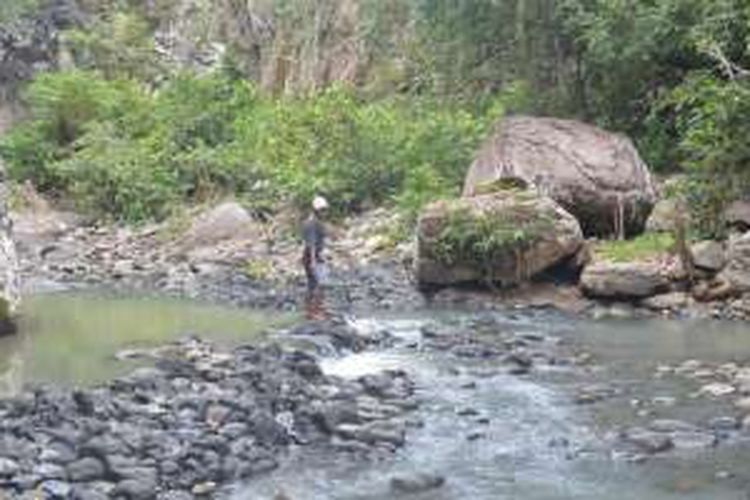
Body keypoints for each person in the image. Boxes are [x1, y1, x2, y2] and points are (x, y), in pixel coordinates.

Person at [302, 196, 329, 318]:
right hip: (311, 257)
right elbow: (311, 244)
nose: (324, 212)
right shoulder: (311, 223)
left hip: (316, 256)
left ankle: (313, 310)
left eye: (325, 209)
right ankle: (314, 311)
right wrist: (313, 261)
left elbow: (319, 241)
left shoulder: (317, 222)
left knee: (314, 284)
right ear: (315, 210)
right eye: (321, 210)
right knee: (319, 284)